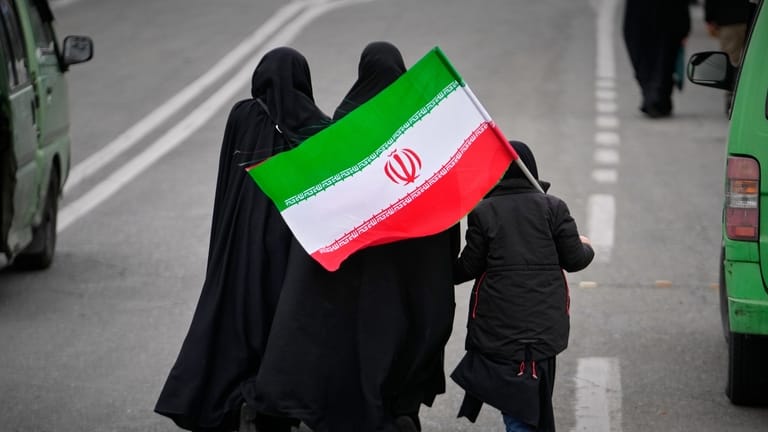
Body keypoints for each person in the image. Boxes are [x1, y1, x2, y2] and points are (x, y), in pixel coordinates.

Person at [239, 41, 461, 432]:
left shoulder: (338, 142)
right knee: (399, 340)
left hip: (353, 279)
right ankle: (397, 410)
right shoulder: (420, 141)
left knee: (353, 342)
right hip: (411, 280)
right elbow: (446, 217)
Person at [154, 46, 330, 432]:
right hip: (289, 251)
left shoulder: (242, 115)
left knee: (238, 319)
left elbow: (227, 178)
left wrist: (222, 240)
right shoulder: (318, 127)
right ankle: (270, 402)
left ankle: (234, 398)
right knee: (280, 324)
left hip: (241, 244)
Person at [450, 140, 594, 432]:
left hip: (499, 327)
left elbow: (467, 267)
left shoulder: (484, 212)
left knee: (517, 401)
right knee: (532, 398)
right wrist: (586, 247)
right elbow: (576, 260)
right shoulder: (553, 208)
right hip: (545, 327)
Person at [623, 0, 691, 118]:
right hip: (665, 22)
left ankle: (653, 98)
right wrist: (684, 27)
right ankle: (656, 99)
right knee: (663, 64)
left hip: (646, 25)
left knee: (653, 65)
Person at [704, 0, 756, 113]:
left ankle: (732, 97)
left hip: (729, 19)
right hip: (753, 18)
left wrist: (709, 17)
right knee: (752, 60)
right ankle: (746, 96)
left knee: (731, 61)